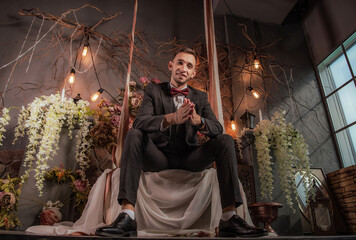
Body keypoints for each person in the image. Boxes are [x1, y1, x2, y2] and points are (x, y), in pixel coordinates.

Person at [95, 47, 267, 238]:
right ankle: (127, 215)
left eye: (189, 65)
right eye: (180, 62)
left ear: (193, 73)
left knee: (225, 140)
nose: (183, 68)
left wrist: (199, 122)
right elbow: (140, 122)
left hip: (189, 158)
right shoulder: (153, 90)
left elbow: (217, 128)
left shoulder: (200, 97)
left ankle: (228, 218)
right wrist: (170, 118)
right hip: (158, 158)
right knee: (134, 133)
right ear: (171, 65)